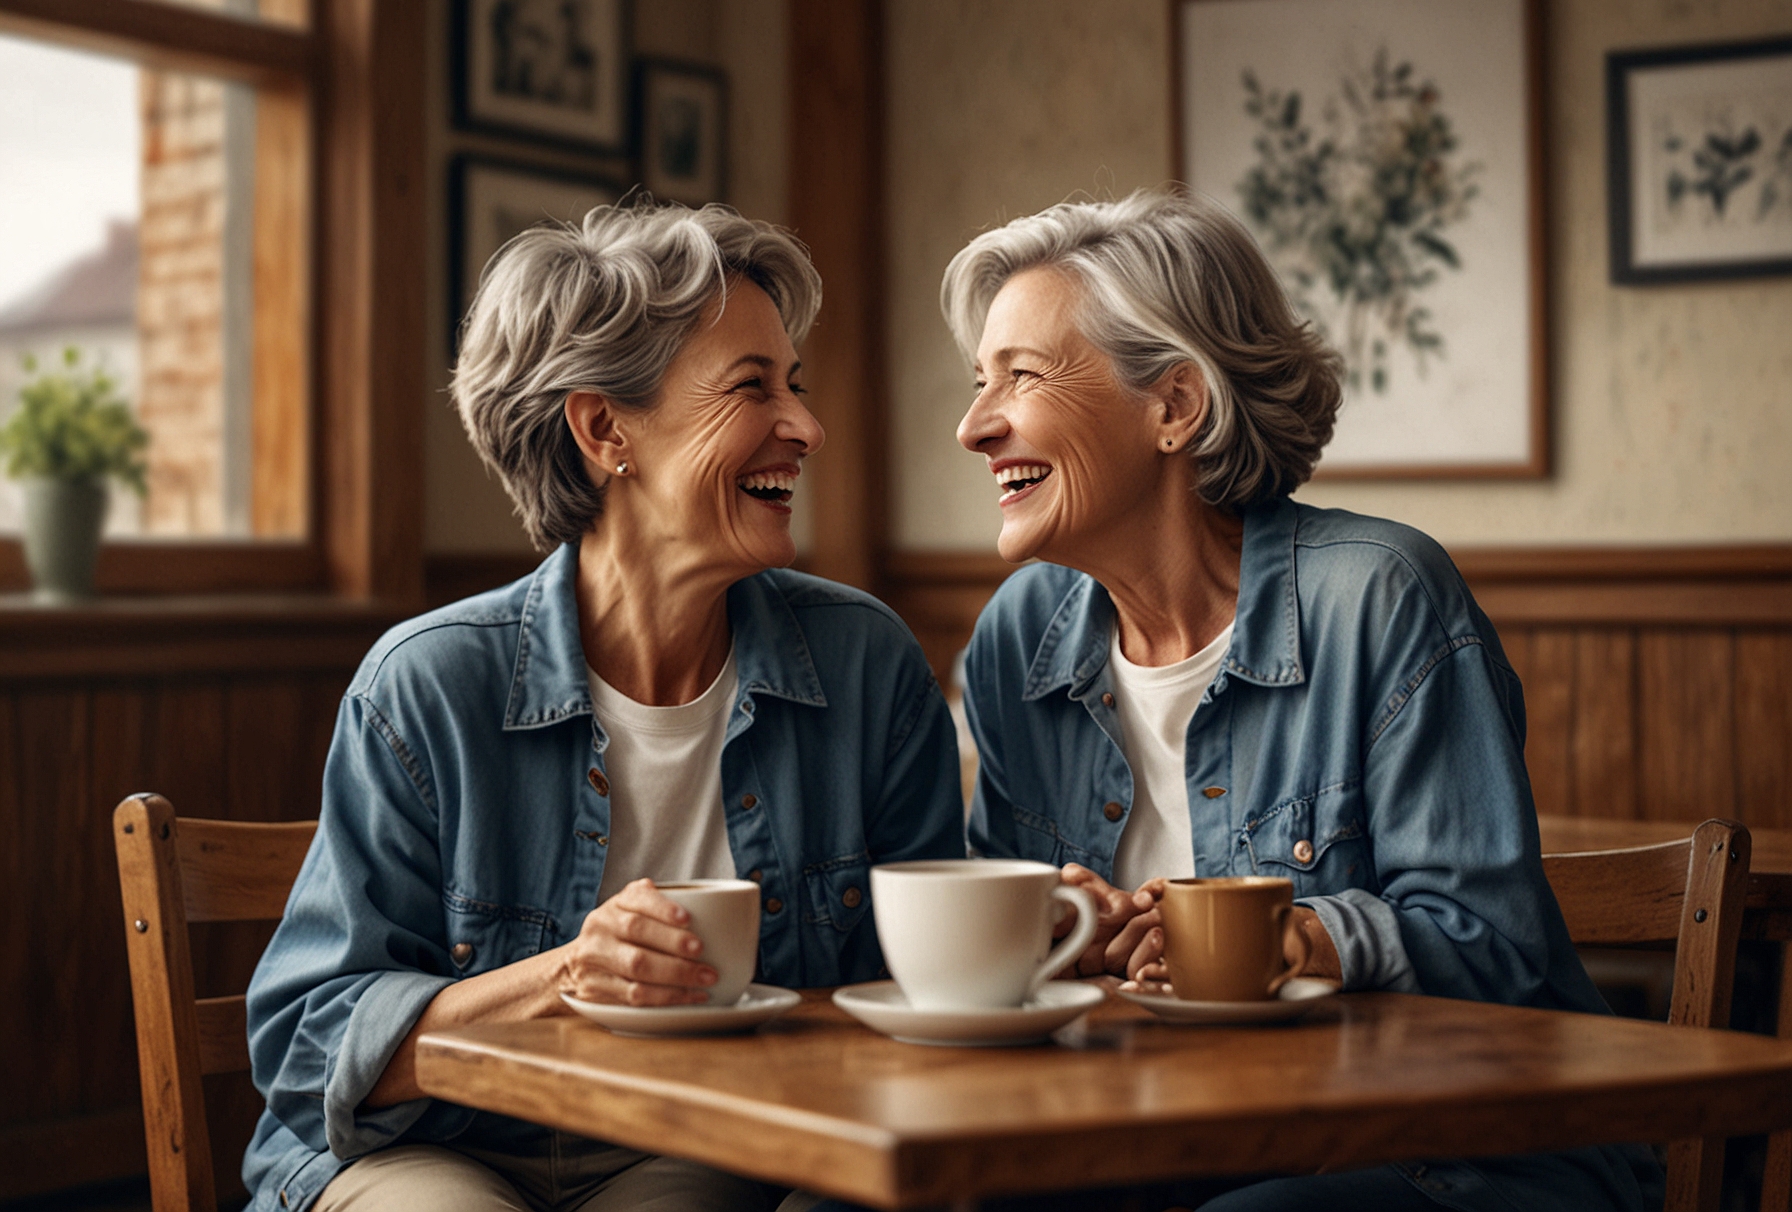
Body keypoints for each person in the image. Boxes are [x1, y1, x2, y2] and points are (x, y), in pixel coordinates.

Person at [942, 189, 1662, 1212]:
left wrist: (1302, 939)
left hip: (1455, 1152)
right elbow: (1007, 971)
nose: (973, 425)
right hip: (1159, 1140)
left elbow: (1492, 946)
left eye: (1019, 377)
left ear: (1174, 406)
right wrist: (1069, 937)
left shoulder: (1377, 593)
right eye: (979, 382)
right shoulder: (1021, 638)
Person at [244, 203, 964, 1212]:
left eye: (793, 386)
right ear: (603, 428)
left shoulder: (865, 667)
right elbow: (308, 1042)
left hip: (691, 1140)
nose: (807, 426)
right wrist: (566, 978)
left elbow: (925, 994)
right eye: (753, 387)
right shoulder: (427, 685)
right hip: (433, 1147)